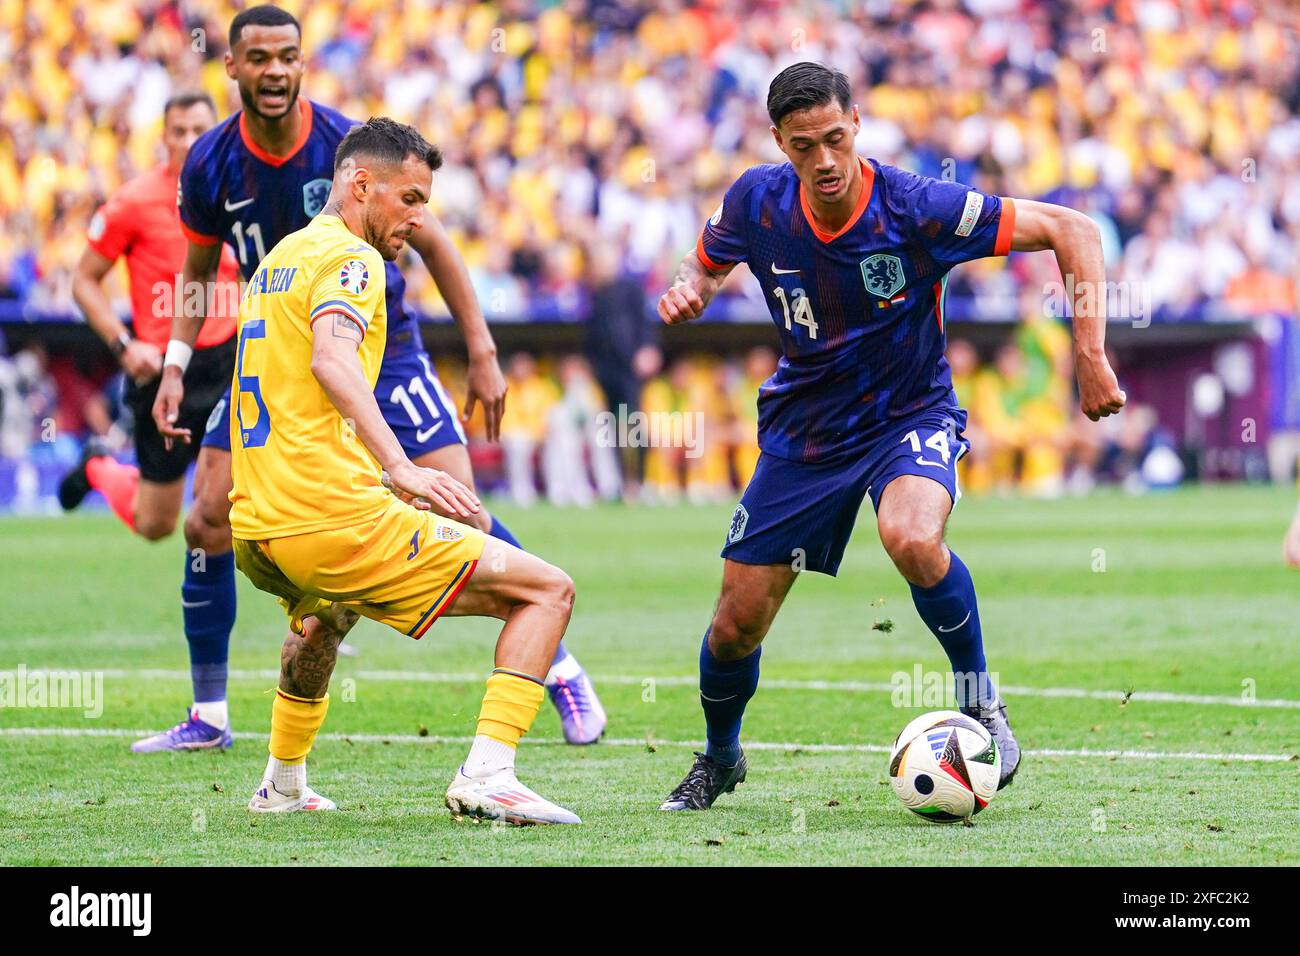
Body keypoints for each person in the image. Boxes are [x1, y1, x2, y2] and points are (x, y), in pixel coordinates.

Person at [655, 62, 1125, 811]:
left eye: (836, 139)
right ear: (780, 142)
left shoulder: (917, 207)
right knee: (735, 624)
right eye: (804, 147)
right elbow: (704, 262)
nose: (825, 161)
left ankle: (981, 703)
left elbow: (1073, 229)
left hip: (909, 415)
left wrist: (1091, 355)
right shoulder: (755, 199)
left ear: (857, 126)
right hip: (805, 431)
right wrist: (693, 286)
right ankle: (720, 757)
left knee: (910, 536)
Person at [138, 5, 604, 753]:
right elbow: (197, 276)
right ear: (232, 67)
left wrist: (481, 349)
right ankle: (211, 714)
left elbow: (434, 242)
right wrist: (175, 362)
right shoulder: (210, 162)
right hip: (287, 349)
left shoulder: (349, 147)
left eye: (288, 55)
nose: (275, 71)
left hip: (380, 347)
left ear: (302, 61)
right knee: (205, 520)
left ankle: (561, 666)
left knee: (458, 508)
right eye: (258, 57)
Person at [232, 117, 579, 824]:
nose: (419, 219)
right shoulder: (354, 264)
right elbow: (332, 360)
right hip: (330, 519)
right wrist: (400, 466)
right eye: (411, 199)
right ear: (362, 186)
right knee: (547, 591)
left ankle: (282, 784)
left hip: (258, 528)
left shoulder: (281, 260)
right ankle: (490, 773)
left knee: (323, 621)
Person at [57, 93, 241, 540]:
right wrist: (123, 345)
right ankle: (99, 467)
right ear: (163, 138)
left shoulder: (241, 196)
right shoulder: (133, 202)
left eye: (200, 130)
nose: (190, 140)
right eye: (179, 131)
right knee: (156, 524)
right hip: (162, 370)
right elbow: (83, 280)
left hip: (229, 364)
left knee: (229, 507)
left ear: (218, 135)